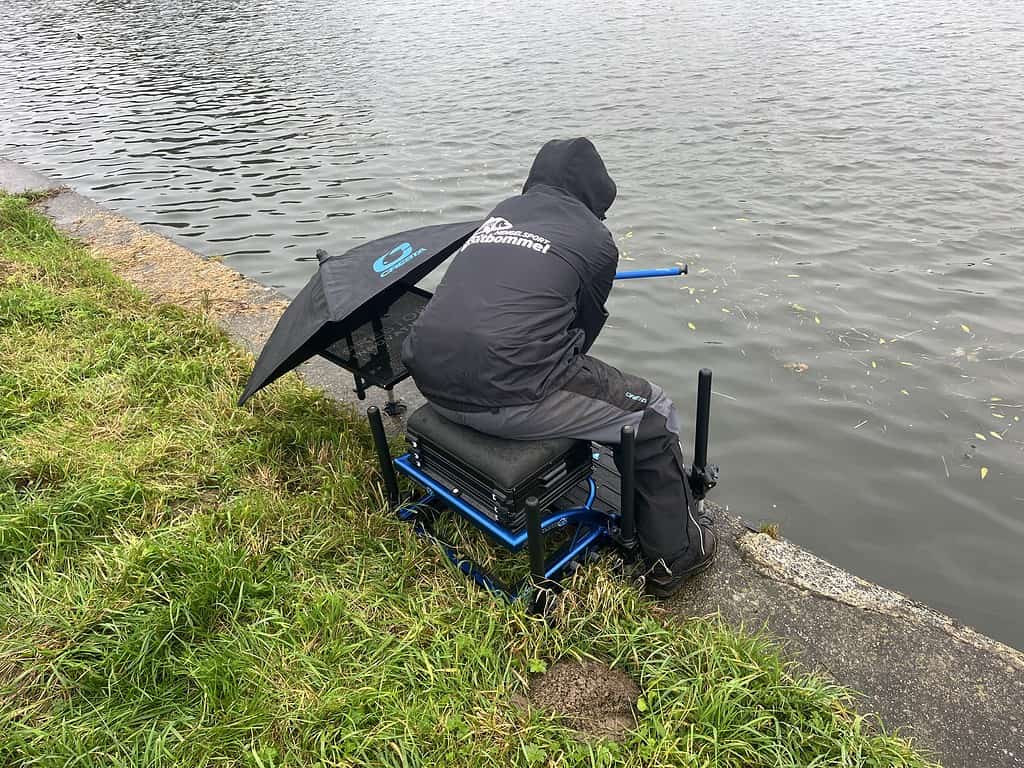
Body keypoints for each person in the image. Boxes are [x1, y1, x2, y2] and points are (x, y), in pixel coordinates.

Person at [401, 137, 716, 596]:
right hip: (506, 393)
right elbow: (581, 335)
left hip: (428, 374)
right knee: (652, 412)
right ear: (596, 195)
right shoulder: (596, 240)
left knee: (568, 378)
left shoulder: (502, 211)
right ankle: (676, 556)